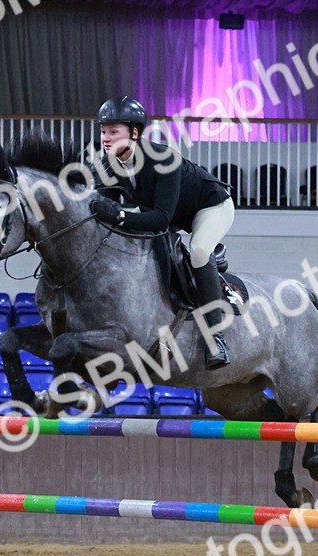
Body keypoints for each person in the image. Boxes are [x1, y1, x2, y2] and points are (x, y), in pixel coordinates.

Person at [89, 96, 235, 370]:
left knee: (200, 250)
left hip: (209, 205)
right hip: (169, 214)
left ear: (134, 132)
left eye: (113, 131)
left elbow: (159, 220)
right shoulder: (108, 166)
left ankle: (216, 335)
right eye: (103, 131)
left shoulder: (162, 159)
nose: (105, 138)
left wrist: (119, 215)